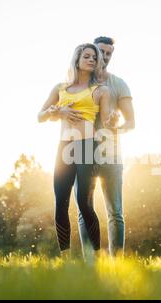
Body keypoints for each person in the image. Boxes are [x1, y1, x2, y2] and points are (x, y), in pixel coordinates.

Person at [37, 43, 113, 258]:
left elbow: (106, 121)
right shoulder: (60, 89)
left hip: (87, 146)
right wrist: (59, 111)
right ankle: (66, 259)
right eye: (87, 56)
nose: (92, 60)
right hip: (64, 147)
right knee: (60, 202)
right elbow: (40, 116)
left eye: (95, 57)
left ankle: (98, 256)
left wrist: (113, 120)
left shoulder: (101, 90)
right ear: (77, 59)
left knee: (84, 202)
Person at [73, 36, 135, 258]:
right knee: (84, 211)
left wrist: (117, 126)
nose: (105, 57)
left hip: (111, 153)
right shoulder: (76, 83)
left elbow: (131, 122)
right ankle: (91, 262)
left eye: (109, 53)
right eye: (101, 52)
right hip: (81, 152)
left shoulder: (119, 84)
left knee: (115, 212)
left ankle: (117, 261)